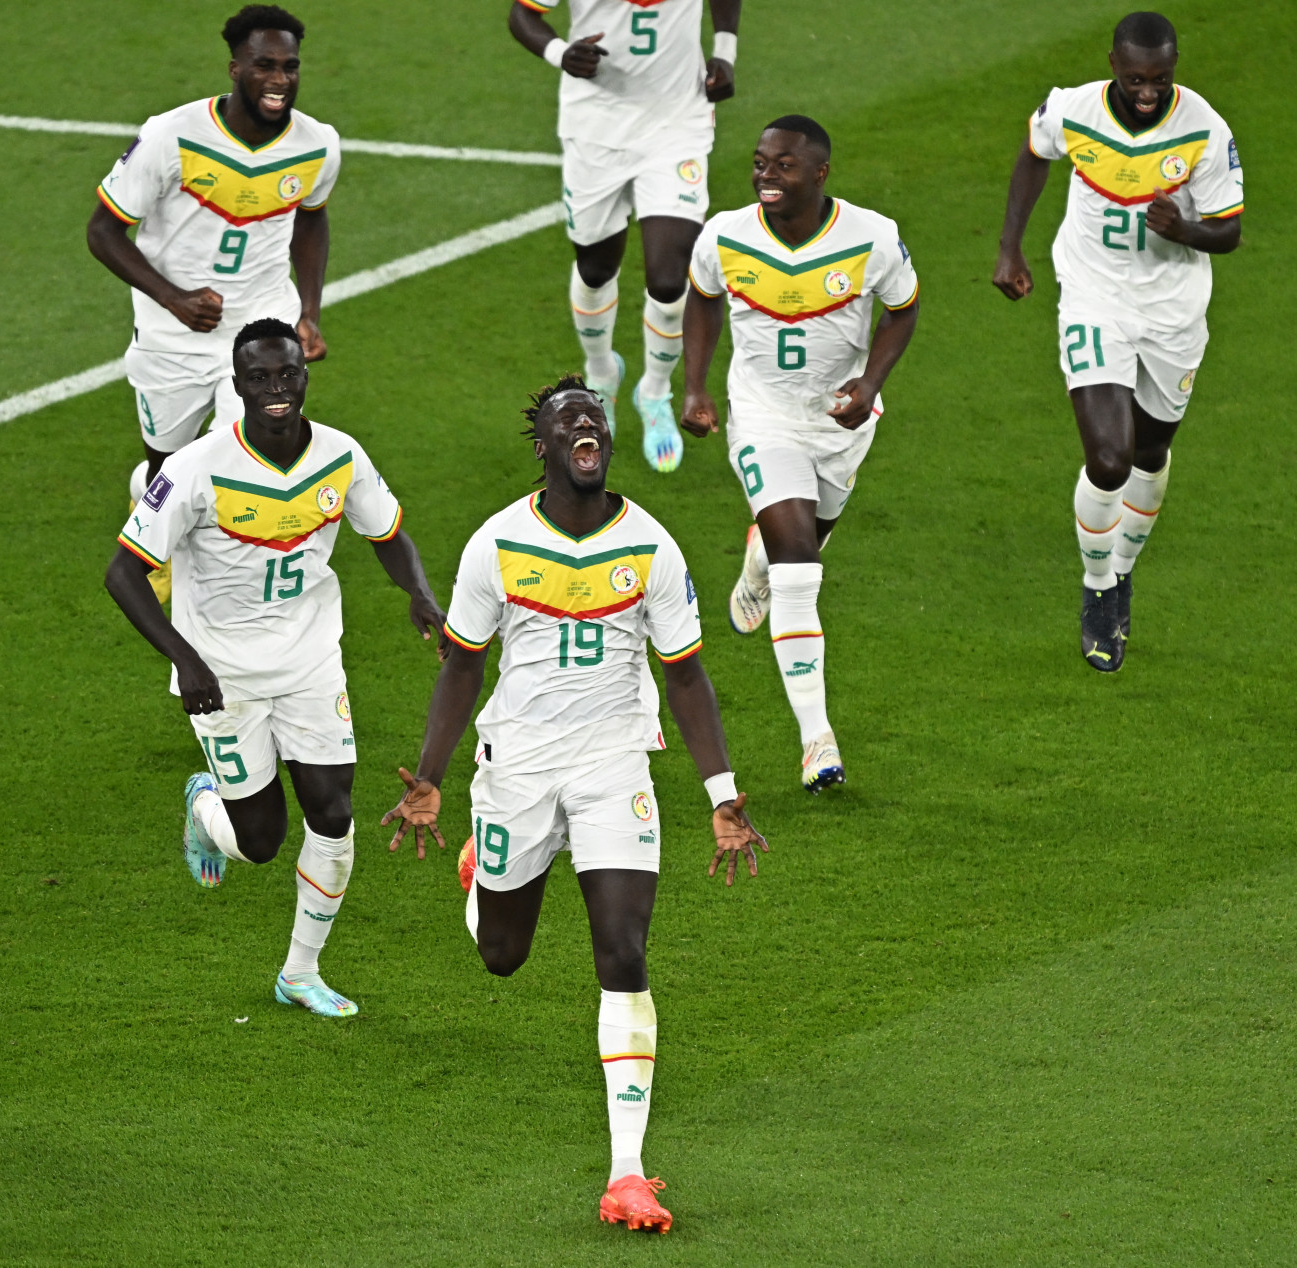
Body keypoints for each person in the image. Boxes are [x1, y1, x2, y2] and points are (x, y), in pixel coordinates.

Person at [381, 374, 766, 1234]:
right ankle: (482, 871)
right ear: (546, 446)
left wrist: (720, 793)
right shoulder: (498, 544)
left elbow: (688, 676)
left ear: (605, 441)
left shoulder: (653, 547)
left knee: (623, 950)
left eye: (594, 416)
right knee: (500, 956)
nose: (585, 425)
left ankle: (627, 1172)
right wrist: (431, 775)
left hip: (611, 763)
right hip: (516, 764)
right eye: (568, 419)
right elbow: (462, 664)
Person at [104, 318, 444, 1019]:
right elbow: (124, 574)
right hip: (221, 677)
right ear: (237, 386)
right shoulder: (194, 469)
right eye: (258, 378)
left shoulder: (340, 456)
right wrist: (185, 660)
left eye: (286, 374)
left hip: (311, 663)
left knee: (334, 813)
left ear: (304, 375)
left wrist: (419, 595)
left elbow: (386, 532)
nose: (275, 389)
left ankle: (299, 972)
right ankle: (207, 808)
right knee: (258, 842)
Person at [992, 12, 1243, 672]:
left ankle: (1123, 569)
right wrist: (1010, 248)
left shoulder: (1204, 129)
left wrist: (1185, 230)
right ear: (1112, 63)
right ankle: (1098, 589)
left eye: (1159, 79)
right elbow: (1032, 154)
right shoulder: (1072, 110)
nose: (1146, 91)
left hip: (1172, 312)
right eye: (1135, 78)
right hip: (1093, 296)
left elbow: (1229, 230)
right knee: (1108, 458)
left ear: (1173, 68)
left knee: (1151, 451)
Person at [680, 115, 919, 792]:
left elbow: (903, 309)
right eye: (759, 162)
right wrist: (695, 387)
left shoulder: (869, 238)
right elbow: (700, 301)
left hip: (841, 418)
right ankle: (817, 740)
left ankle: (760, 551)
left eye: (782, 165)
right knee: (799, 567)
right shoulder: (724, 236)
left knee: (807, 536)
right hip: (762, 417)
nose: (765, 175)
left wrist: (869, 382)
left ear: (819, 173)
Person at [88, 4, 339, 603]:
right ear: (234, 68)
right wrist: (171, 297)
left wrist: (309, 312)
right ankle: (151, 511)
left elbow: (312, 219)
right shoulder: (170, 137)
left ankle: (233, 576)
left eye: (290, 67)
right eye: (264, 66)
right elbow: (102, 231)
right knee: (164, 464)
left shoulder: (318, 145)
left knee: (248, 452)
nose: (279, 80)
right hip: (170, 335)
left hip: (260, 328)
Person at [507, 0, 741, 473]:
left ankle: (655, 391)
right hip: (595, 127)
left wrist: (725, 50)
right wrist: (560, 53)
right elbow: (522, 14)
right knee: (596, 269)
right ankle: (601, 374)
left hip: (678, 123)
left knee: (671, 278)